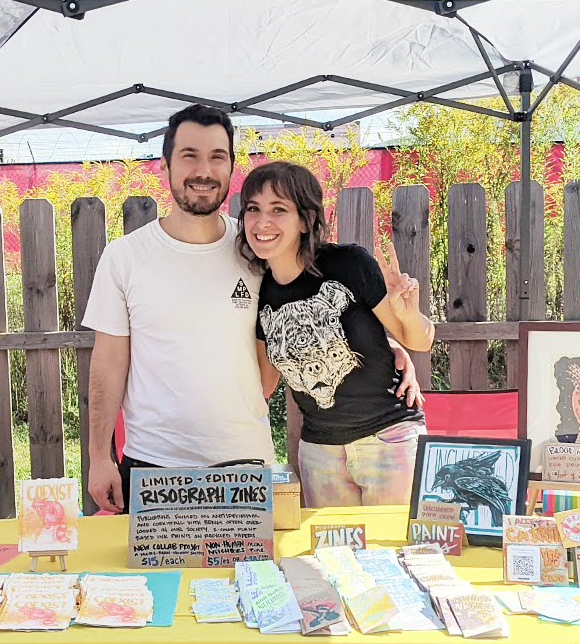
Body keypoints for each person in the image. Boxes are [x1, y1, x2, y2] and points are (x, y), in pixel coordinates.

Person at [83, 103, 421, 512]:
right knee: (160, 577)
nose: (203, 170)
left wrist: (390, 351)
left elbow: (313, 311)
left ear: (231, 168)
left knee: (249, 578)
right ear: (164, 166)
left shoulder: (257, 250)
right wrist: (100, 456)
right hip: (155, 465)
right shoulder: (124, 258)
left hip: (245, 462)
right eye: (189, 156)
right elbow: (108, 362)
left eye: (217, 157)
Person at [238, 161, 435, 509]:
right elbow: (264, 385)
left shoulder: (348, 264)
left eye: (278, 209)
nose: (262, 222)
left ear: (306, 220)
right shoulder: (258, 290)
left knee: (398, 555)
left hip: (389, 439)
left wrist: (408, 315)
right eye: (253, 209)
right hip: (320, 454)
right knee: (331, 561)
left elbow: (419, 341)